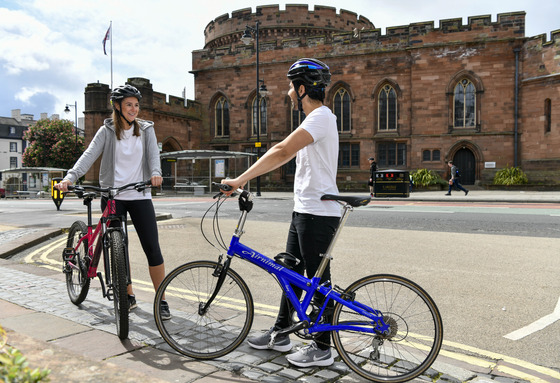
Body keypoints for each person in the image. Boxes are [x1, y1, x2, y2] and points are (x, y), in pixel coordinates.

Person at [221, 58, 339, 368]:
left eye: (290, 87)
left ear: (302, 89)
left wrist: (239, 180)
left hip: (319, 213)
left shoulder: (320, 117)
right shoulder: (315, 119)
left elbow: (282, 151)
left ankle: (322, 347)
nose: (288, 93)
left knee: (317, 283)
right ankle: (282, 332)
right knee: (290, 276)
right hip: (305, 209)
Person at [55, 84, 171, 320]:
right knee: (119, 248)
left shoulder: (147, 129)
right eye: (129, 104)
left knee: (153, 248)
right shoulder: (106, 131)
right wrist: (70, 177)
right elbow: (89, 155)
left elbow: (153, 156)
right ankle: (127, 294)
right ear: (117, 107)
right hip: (113, 196)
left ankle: (162, 299)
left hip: (139, 195)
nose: (134, 109)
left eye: (136, 105)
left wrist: (156, 173)